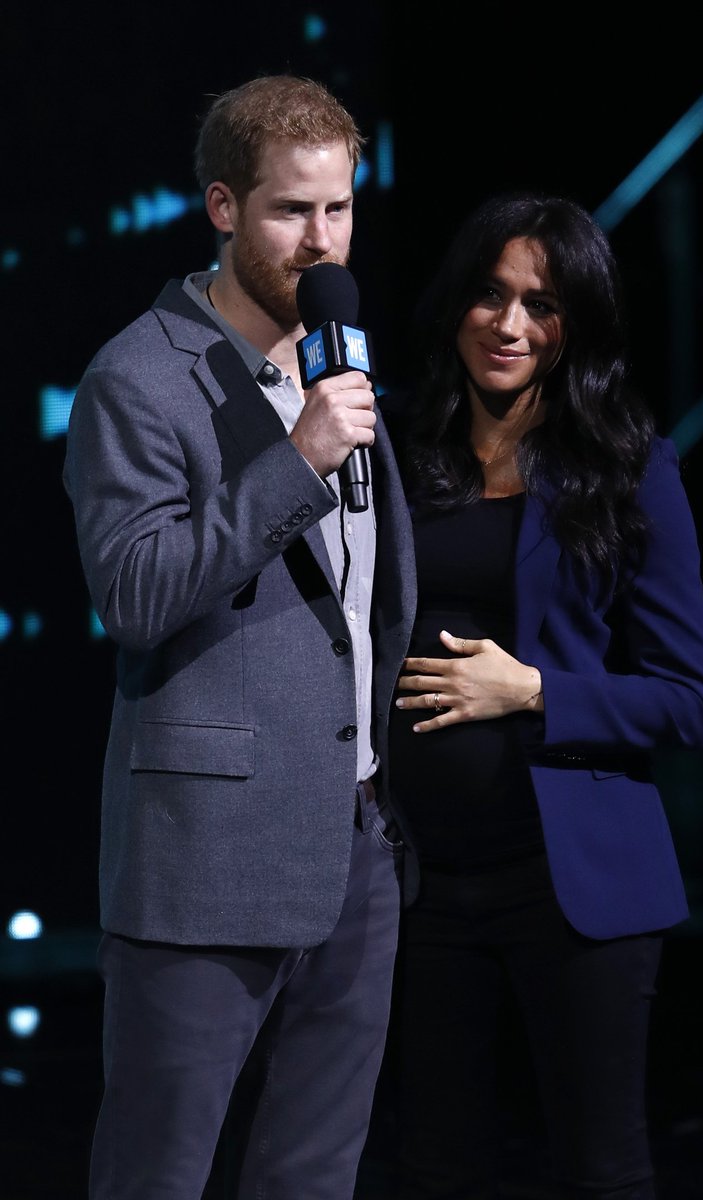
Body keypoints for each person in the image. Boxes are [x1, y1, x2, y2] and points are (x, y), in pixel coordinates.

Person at [62, 74, 416, 1200]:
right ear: (222, 208)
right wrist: (295, 462)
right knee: (157, 1174)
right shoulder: (136, 377)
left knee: (313, 1174)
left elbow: (363, 600)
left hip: (353, 840)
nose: (322, 240)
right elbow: (135, 594)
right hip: (207, 854)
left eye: (339, 209)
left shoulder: (338, 353)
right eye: (290, 211)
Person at [380, 191, 703, 1199]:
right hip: (415, 883)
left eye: (540, 302)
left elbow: (685, 701)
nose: (509, 323)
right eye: (489, 293)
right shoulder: (396, 455)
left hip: (568, 884)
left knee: (599, 1170)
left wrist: (529, 690)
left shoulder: (629, 471)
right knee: (432, 1169)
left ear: (577, 325)